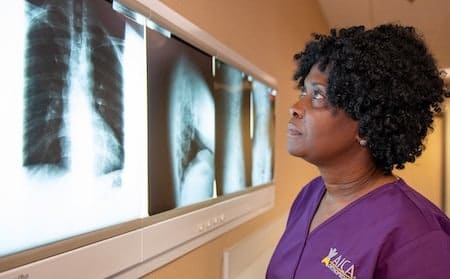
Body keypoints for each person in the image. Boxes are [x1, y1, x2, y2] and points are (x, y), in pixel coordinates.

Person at [266, 24, 450, 279]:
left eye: (318, 95)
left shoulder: (418, 234)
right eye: (303, 92)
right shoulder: (309, 195)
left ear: (365, 125)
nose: (296, 107)